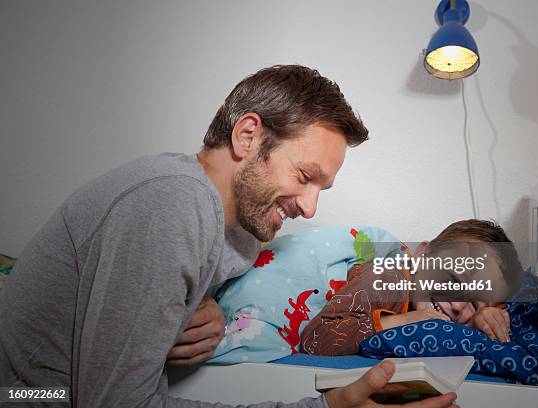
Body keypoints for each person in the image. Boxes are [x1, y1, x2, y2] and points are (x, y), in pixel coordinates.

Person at [0, 65, 458, 408]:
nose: (310, 207)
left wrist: (214, 310)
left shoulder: (239, 237)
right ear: (247, 136)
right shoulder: (172, 201)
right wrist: (325, 405)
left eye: (321, 188)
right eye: (304, 175)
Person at [300, 219, 523, 356]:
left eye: (473, 304)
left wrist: (481, 319)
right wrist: (405, 320)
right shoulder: (388, 278)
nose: (457, 304)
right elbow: (315, 341)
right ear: (423, 255)